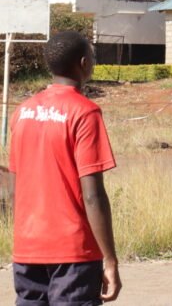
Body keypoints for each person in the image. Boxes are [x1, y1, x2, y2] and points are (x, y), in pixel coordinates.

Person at [8, 30, 121, 305]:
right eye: (92, 57)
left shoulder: (22, 112)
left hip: (27, 250)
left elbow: (15, 188)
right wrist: (110, 259)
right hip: (73, 254)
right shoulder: (85, 112)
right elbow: (92, 195)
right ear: (84, 63)